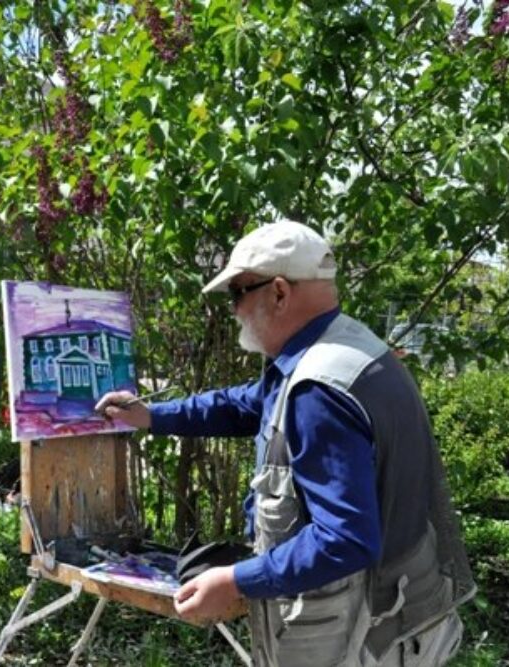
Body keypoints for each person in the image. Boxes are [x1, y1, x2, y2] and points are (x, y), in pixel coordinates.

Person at [95, 221, 475, 667]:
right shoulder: (347, 347)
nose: (233, 310)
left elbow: (345, 540)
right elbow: (246, 404)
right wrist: (152, 416)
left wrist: (237, 580)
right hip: (403, 606)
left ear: (279, 292)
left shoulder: (320, 391)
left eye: (238, 293)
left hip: (359, 632)